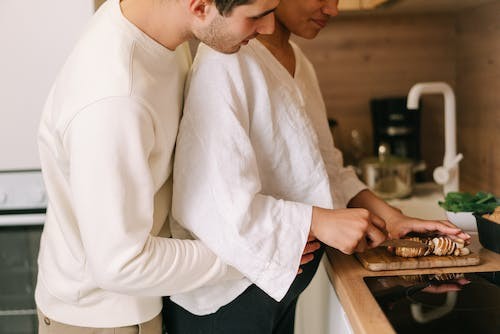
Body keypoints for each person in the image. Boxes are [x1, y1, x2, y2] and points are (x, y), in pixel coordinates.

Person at [166, 0, 471, 332]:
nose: (333, 9)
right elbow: (213, 201)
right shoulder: (225, 60)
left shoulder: (301, 63)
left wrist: (392, 218)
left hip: (281, 287)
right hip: (230, 299)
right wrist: (317, 220)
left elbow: (327, 168)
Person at [35, 0, 286, 332]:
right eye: (256, 16)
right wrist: (247, 253)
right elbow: (121, 264)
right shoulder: (113, 99)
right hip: (104, 318)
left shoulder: (158, 30)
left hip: (140, 301)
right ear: (199, 8)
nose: (270, 27)